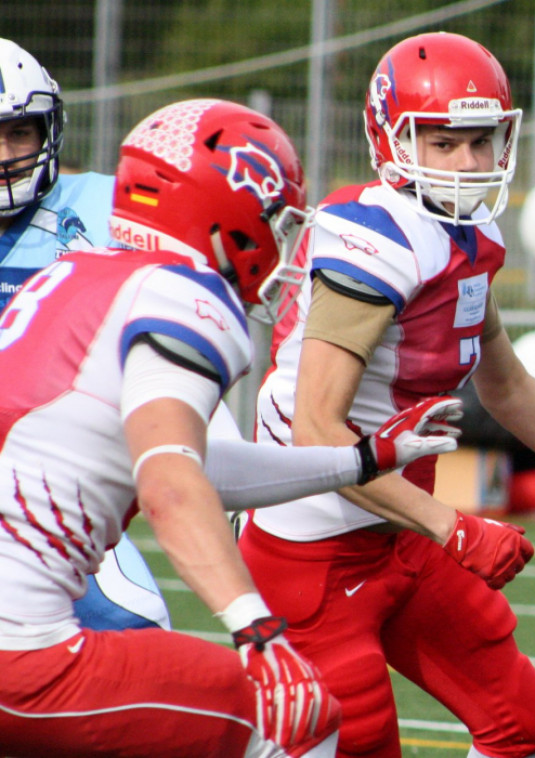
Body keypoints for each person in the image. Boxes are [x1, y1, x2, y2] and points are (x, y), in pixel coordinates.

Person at [0, 96, 465, 756]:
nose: (279, 240)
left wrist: (359, 460)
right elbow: (168, 480)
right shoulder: (181, 293)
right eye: (274, 219)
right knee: (297, 718)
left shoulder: (77, 273)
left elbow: (192, 463)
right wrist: (256, 629)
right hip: (23, 656)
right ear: (228, 210)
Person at [237, 31, 535, 758]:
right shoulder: (378, 245)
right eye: (442, 143)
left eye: (480, 141)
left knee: (521, 722)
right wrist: (454, 528)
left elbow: (510, 385)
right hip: (316, 548)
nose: (467, 163)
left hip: (400, 534)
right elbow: (316, 431)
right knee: (360, 742)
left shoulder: (468, 236)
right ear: (392, 141)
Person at [0, 37, 177, 631]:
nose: (3, 155)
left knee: (135, 625)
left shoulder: (105, 209)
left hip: (59, 478)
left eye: (18, 133)